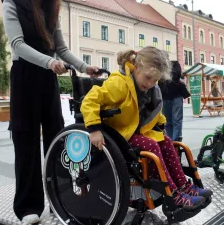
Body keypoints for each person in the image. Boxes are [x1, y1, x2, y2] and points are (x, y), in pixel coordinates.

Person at [2, 0, 99, 225]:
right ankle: (27, 206)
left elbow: (62, 49)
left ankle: (61, 200)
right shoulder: (12, 1)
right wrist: (48, 62)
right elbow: (17, 45)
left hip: (48, 78)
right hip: (24, 75)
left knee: (56, 140)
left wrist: (84, 66)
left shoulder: (50, 9)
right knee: (26, 142)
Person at [81, 47, 212, 211]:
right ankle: (172, 193)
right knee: (151, 145)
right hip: (118, 133)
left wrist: (161, 126)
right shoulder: (118, 83)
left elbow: (154, 112)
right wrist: (94, 129)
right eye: (148, 77)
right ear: (136, 66)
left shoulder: (148, 88)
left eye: (155, 81)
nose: (150, 84)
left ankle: (183, 186)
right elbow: (89, 100)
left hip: (134, 131)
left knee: (166, 141)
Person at [158, 60, 190, 141]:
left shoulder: (173, 64)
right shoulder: (164, 67)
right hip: (170, 97)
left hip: (171, 97)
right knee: (172, 120)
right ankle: (173, 140)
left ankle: (173, 139)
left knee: (172, 120)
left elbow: (176, 75)